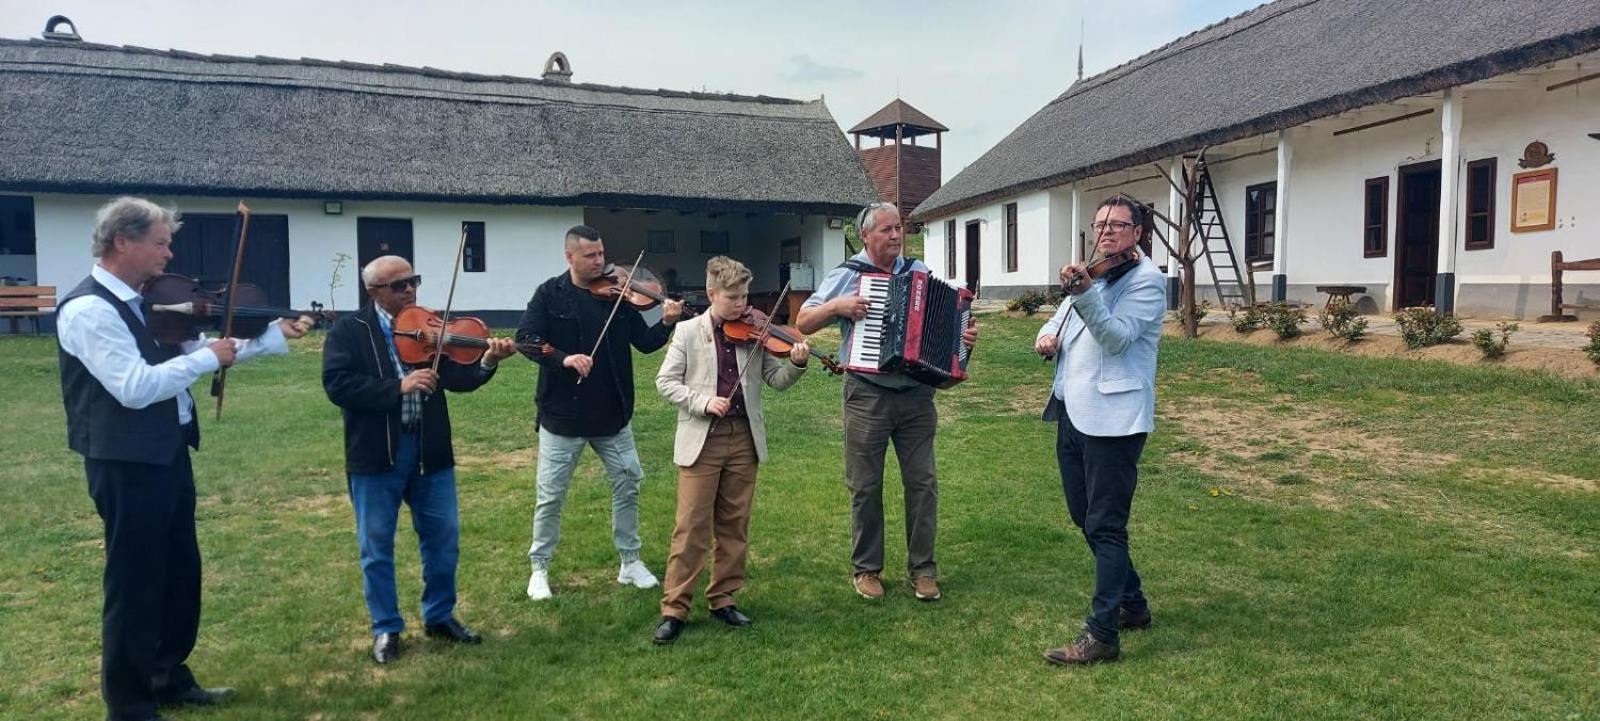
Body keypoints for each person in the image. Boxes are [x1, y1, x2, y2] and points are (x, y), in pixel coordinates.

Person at [57, 197, 312, 721]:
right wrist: (204, 358)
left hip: (167, 452)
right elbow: (134, 387)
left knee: (178, 571)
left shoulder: (143, 302)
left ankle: (167, 675)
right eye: (160, 242)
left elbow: (199, 347)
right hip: (125, 461)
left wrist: (269, 336)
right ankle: (128, 703)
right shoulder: (90, 310)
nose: (169, 254)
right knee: (134, 580)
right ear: (121, 242)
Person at [322, 255, 516, 664]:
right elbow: (338, 385)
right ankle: (386, 628)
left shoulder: (430, 327)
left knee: (443, 539)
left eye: (414, 281)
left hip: (429, 451)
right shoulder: (349, 331)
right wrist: (399, 385)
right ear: (374, 291)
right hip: (377, 455)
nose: (410, 290)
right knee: (376, 545)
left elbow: (459, 379)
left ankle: (440, 616)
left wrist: (488, 360)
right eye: (399, 285)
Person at [795, 202, 977, 602]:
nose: (896, 236)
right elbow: (804, 321)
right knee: (865, 485)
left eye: (900, 228)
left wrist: (959, 339)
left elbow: (945, 322)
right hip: (867, 395)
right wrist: (837, 307)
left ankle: (923, 569)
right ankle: (866, 569)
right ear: (866, 236)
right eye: (887, 230)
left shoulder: (919, 272)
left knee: (923, 483)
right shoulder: (848, 275)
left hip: (916, 396)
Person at [516, 225, 684, 600]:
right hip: (562, 416)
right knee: (551, 494)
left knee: (629, 482)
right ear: (570, 257)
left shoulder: (619, 298)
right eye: (591, 256)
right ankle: (539, 567)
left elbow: (644, 343)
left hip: (612, 414)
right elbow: (525, 340)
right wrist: (564, 359)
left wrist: (668, 322)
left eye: (601, 254)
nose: (601, 262)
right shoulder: (549, 294)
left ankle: (630, 561)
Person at [1033, 197, 1166, 666]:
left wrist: (1085, 292)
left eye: (1118, 225)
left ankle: (1102, 633)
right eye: (1101, 224)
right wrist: (1045, 336)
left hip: (1114, 421)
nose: (1106, 232)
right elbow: (1060, 319)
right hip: (1072, 411)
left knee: (1106, 526)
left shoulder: (1147, 282)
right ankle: (1133, 605)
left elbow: (1116, 337)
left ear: (1138, 233)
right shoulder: (1095, 273)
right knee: (1081, 514)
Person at [650, 256, 809, 644]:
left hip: (743, 437)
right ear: (711, 294)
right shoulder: (688, 332)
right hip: (703, 438)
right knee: (691, 526)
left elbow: (776, 378)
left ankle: (723, 598)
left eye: (744, 296)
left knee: (734, 524)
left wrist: (798, 365)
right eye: (733, 297)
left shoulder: (756, 330)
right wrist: (703, 402)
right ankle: (675, 608)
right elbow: (664, 382)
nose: (742, 304)